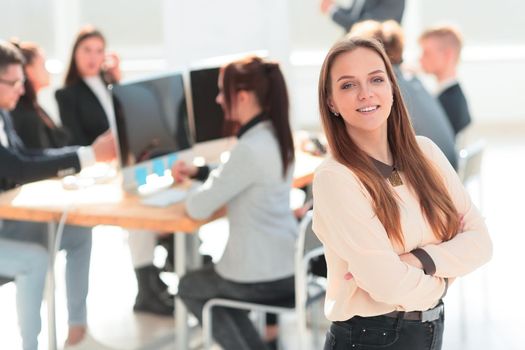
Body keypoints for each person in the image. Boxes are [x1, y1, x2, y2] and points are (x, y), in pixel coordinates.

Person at [314, 37, 492, 349]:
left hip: (429, 329)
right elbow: (387, 285)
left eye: (376, 79)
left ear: (393, 88)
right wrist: (445, 276)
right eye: (347, 85)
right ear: (331, 102)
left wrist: (418, 259)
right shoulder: (336, 177)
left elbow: (481, 243)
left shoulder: (426, 153)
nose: (366, 93)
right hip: (368, 338)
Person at [175, 56, 297, 350]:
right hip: (289, 265)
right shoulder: (276, 135)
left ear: (241, 97)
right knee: (218, 288)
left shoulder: (249, 149)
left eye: (221, 92)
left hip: (262, 277)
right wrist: (202, 172)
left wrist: (185, 188)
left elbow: (197, 207)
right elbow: (240, 175)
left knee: (189, 286)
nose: (217, 99)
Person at [0, 40, 115, 350]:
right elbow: (19, 169)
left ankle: (77, 333)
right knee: (35, 258)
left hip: (6, 222)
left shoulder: (5, 114)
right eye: (14, 83)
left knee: (78, 233)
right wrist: (89, 155)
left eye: (22, 81)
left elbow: (26, 156)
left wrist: (84, 155)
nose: (21, 90)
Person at [56, 26, 173, 316]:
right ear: (75, 54)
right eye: (87, 50)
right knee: (138, 212)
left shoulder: (109, 84)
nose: (93, 57)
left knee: (165, 198)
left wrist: (119, 81)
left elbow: (131, 120)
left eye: (99, 51)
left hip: (128, 163)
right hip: (100, 171)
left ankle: (159, 272)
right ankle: (147, 285)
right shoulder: (68, 94)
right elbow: (77, 141)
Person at [348, 20, 458, 168]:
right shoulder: (412, 80)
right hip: (447, 169)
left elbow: (376, 151)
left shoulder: (388, 89)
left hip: (431, 179)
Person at [419, 25, 472, 136]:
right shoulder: (452, 96)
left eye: (426, 53)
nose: (420, 58)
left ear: (448, 55)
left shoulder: (449, 103)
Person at [320, 0, 405, 33]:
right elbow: (354, 15)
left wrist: (332, 10)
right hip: (358, 49)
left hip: (381, 54)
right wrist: (334, 7)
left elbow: (365, 26)